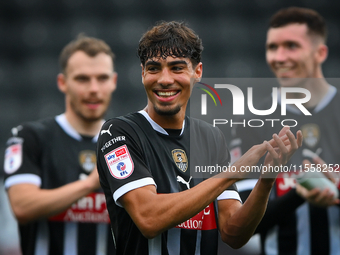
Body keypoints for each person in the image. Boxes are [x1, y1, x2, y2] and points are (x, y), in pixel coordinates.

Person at [96, 21, 302, 255]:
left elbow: (233, 233)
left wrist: (265, 181)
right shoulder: (119, 132)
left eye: (176, 68)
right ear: (143, 73)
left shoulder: (211, 137)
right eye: (154, 68)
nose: (164, 79)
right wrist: (233, 172)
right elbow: (149, 219)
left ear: (198, 72)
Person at [230, 7, 340, 255]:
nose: (279, 57)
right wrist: (298, 195)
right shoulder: (253, 121)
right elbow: (240, 226)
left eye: (291, 46)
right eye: (272, 48)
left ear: (320, 53)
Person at [3, 35, 117, 255]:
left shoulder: (127, 143)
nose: (94, 88)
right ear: (62, 83)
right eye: (83, 79)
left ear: (114, 81)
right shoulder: (30, 137)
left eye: (102, 78)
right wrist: (89, 184)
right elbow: (22, 207)